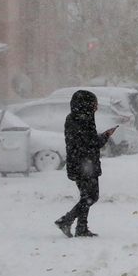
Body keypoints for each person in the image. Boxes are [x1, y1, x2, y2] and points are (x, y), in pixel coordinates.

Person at [55, 90, 116, 238]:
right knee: (91, 196)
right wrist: (106, 136)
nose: (96, 106)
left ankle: (81, 227)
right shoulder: (83, 119)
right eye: (94, 103)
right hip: (85, 164)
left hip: (78, 162)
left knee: (85, 196)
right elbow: (91, 143)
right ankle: (66, 220)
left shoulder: (74, 117)